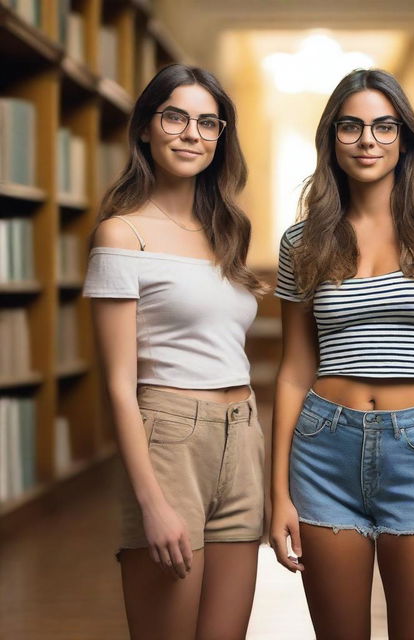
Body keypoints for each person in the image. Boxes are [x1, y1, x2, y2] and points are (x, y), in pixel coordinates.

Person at [270, 68, 414, 640]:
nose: (368, 140)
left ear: (405, 140)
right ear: (332, 140)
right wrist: (278, 495)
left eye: (385, 127)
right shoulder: (302, 241)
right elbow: (293, 372)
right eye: (352, 126)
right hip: (322, 451)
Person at [83, 63, 266, 640]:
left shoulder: (229, 231)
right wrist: (152, 502)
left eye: (208, 123)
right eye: (176, 117)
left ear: (221, 138)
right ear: (145, 128)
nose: (192, 133)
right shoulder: (122, 235)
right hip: (168, 440)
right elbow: (118, 384)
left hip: (243, 435)